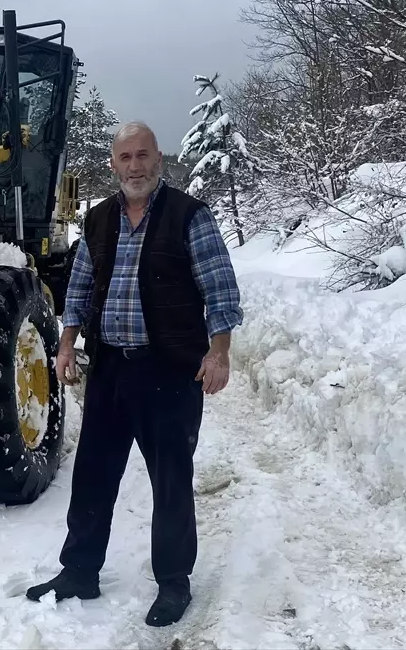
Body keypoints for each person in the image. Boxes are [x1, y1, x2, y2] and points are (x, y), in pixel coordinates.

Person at [25, 121, 244, 627]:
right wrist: (65, 345)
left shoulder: (190, 216)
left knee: (170, 479)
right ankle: (79, 570)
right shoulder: (99, 220)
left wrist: (219, 354)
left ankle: (173, 582)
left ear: (158, 159)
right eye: (125, 158)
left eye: (143, 155)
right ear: (113, 164)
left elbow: (221, 291)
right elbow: (79, 289)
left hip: (168, 371)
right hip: (109, 369)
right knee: (94, 475)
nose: (135, 167)